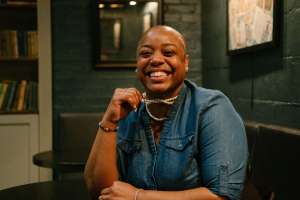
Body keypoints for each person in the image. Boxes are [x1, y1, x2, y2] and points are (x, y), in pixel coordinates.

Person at [84, 25, 248, 200]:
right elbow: (100, 190)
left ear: (185, 63)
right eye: (146, 54)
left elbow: (222, 195)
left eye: (168, 53)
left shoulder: (211, 107)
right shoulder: (128, 110)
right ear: (137, 65)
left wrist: (139, 196)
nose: (155, 60)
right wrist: (109, 121)